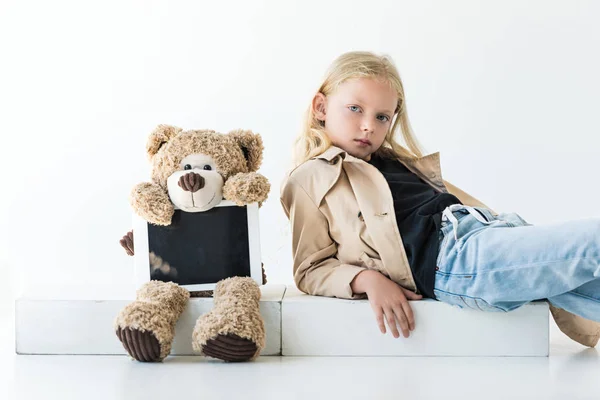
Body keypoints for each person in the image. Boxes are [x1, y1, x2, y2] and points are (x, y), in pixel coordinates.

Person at [280, 51, 600, 347]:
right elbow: (311, 268)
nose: (368, 125)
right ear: (321, 107)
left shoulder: (396, 161)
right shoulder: (312, 176)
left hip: (487, 232)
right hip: (455, 259)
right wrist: (368, 280)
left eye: (382, 117)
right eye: (355, 109)